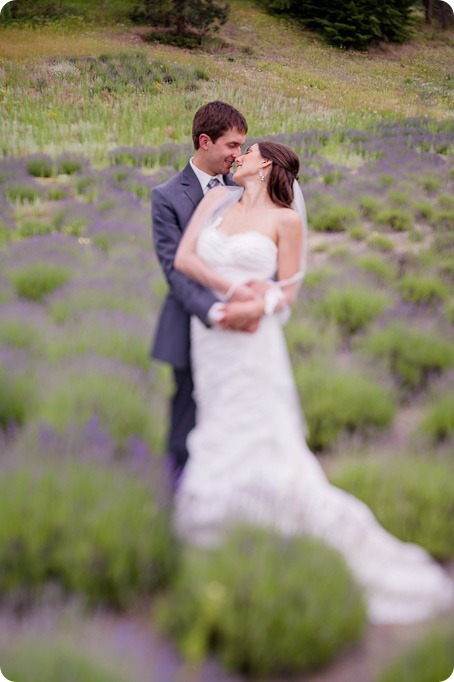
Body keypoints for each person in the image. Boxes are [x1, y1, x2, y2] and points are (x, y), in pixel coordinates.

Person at [173, 139, 454, 625]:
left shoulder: (287, 221)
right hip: (213, 333)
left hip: (252, 340)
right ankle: (217, 523)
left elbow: (287, 292)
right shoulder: (214, 200)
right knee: (216, 422)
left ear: (267, 164)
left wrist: (255, 306)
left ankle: (263, 522)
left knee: (259, 432)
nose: (236, 157)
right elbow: (185, 258)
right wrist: (230, 296)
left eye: (247, 151)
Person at [151, 101, 262, 485]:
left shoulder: (244, 191)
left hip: (241, 325)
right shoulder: (166, 197)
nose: (238, 154)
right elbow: (174, 271)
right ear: (205, 141)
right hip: (190, 321)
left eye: (242, 146)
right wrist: (215, 312)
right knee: (186, 417)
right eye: (232, 145)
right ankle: (177, 495)